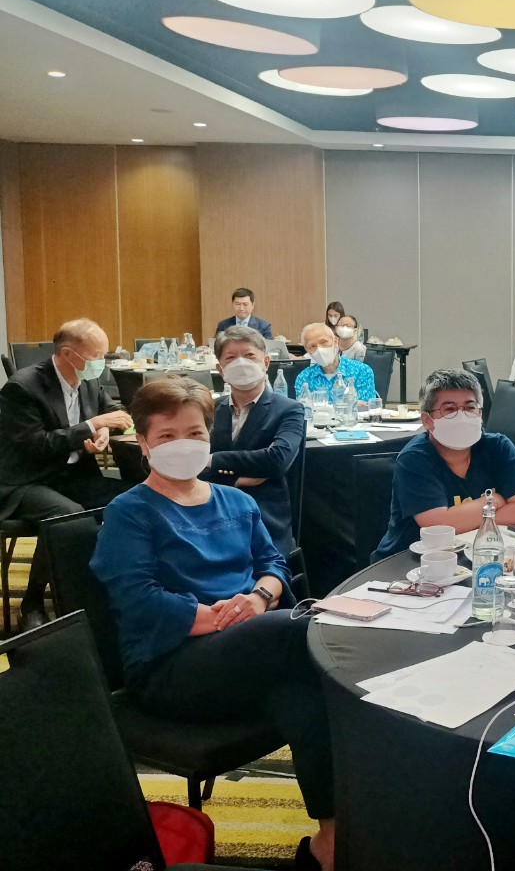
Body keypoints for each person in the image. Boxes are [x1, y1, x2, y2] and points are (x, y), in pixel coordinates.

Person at [89, 379, 333, 871]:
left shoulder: (236, 501)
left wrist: (259, 598)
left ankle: (330, 843)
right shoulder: (129, 512)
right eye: (166, 436)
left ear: (209, 437)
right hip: (170, 668)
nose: (183, 444)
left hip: (250, 650)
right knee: (305, 628)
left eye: (194, 433)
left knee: (306, 692)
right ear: (143, 444)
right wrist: (227, 621)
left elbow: (274, 564)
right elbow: (138, 599)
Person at [0, 318, 133, 627]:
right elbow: (35, 446)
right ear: (68, 355)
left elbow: (112, 412)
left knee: (130, 498)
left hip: (70, 474)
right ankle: (33, 602)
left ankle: (97, 590)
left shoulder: (88, 380)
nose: (101, 362)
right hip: (26, 480)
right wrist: (91, 426)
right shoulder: (23, 387)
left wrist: (103, 432)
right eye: (96, 356)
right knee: (67, 516)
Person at [372, 370, 515, 561]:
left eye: (470, 407)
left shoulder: (498, 447)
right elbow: (439, 527)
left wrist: (465, 519)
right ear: (427, 421)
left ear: (480, 413)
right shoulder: (414, 458)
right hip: (410, 562)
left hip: (475, 555)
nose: (462, 416)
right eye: (449, 409)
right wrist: (493, 502)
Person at [201, 327, 306, 556]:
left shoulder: (289, 409)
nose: (241, 363)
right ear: (220, 369)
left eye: (250, 356)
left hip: (263, 516)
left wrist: (212, 460)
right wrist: (235, 480)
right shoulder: (208, 409)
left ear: (266, 362)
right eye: (230, 358)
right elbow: (190, 465)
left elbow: (277, 460)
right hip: (209, 511)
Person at [293, 322, 376, 403]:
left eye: (323, 342)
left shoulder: (361, 371)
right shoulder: (304, 378)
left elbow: (366, 408)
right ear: (307, 350)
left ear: (335, 341)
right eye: (312, 346)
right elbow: (304, 409)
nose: (319, 349)